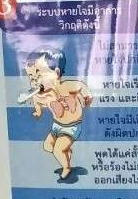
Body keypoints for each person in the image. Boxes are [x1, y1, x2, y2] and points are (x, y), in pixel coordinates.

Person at [23, 49, 92, 180]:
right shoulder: (42, 95)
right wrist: (38, 111)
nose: (35, 80)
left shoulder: (66, 86)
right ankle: (66, 151)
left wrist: (87, 96)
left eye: (39, 75)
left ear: (57, 73)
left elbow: (81, 86)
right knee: (48, 146)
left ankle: (66, 168)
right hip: (57, 126)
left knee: (57, 150)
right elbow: (36, 101)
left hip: (71, 127)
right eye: (31, 77)